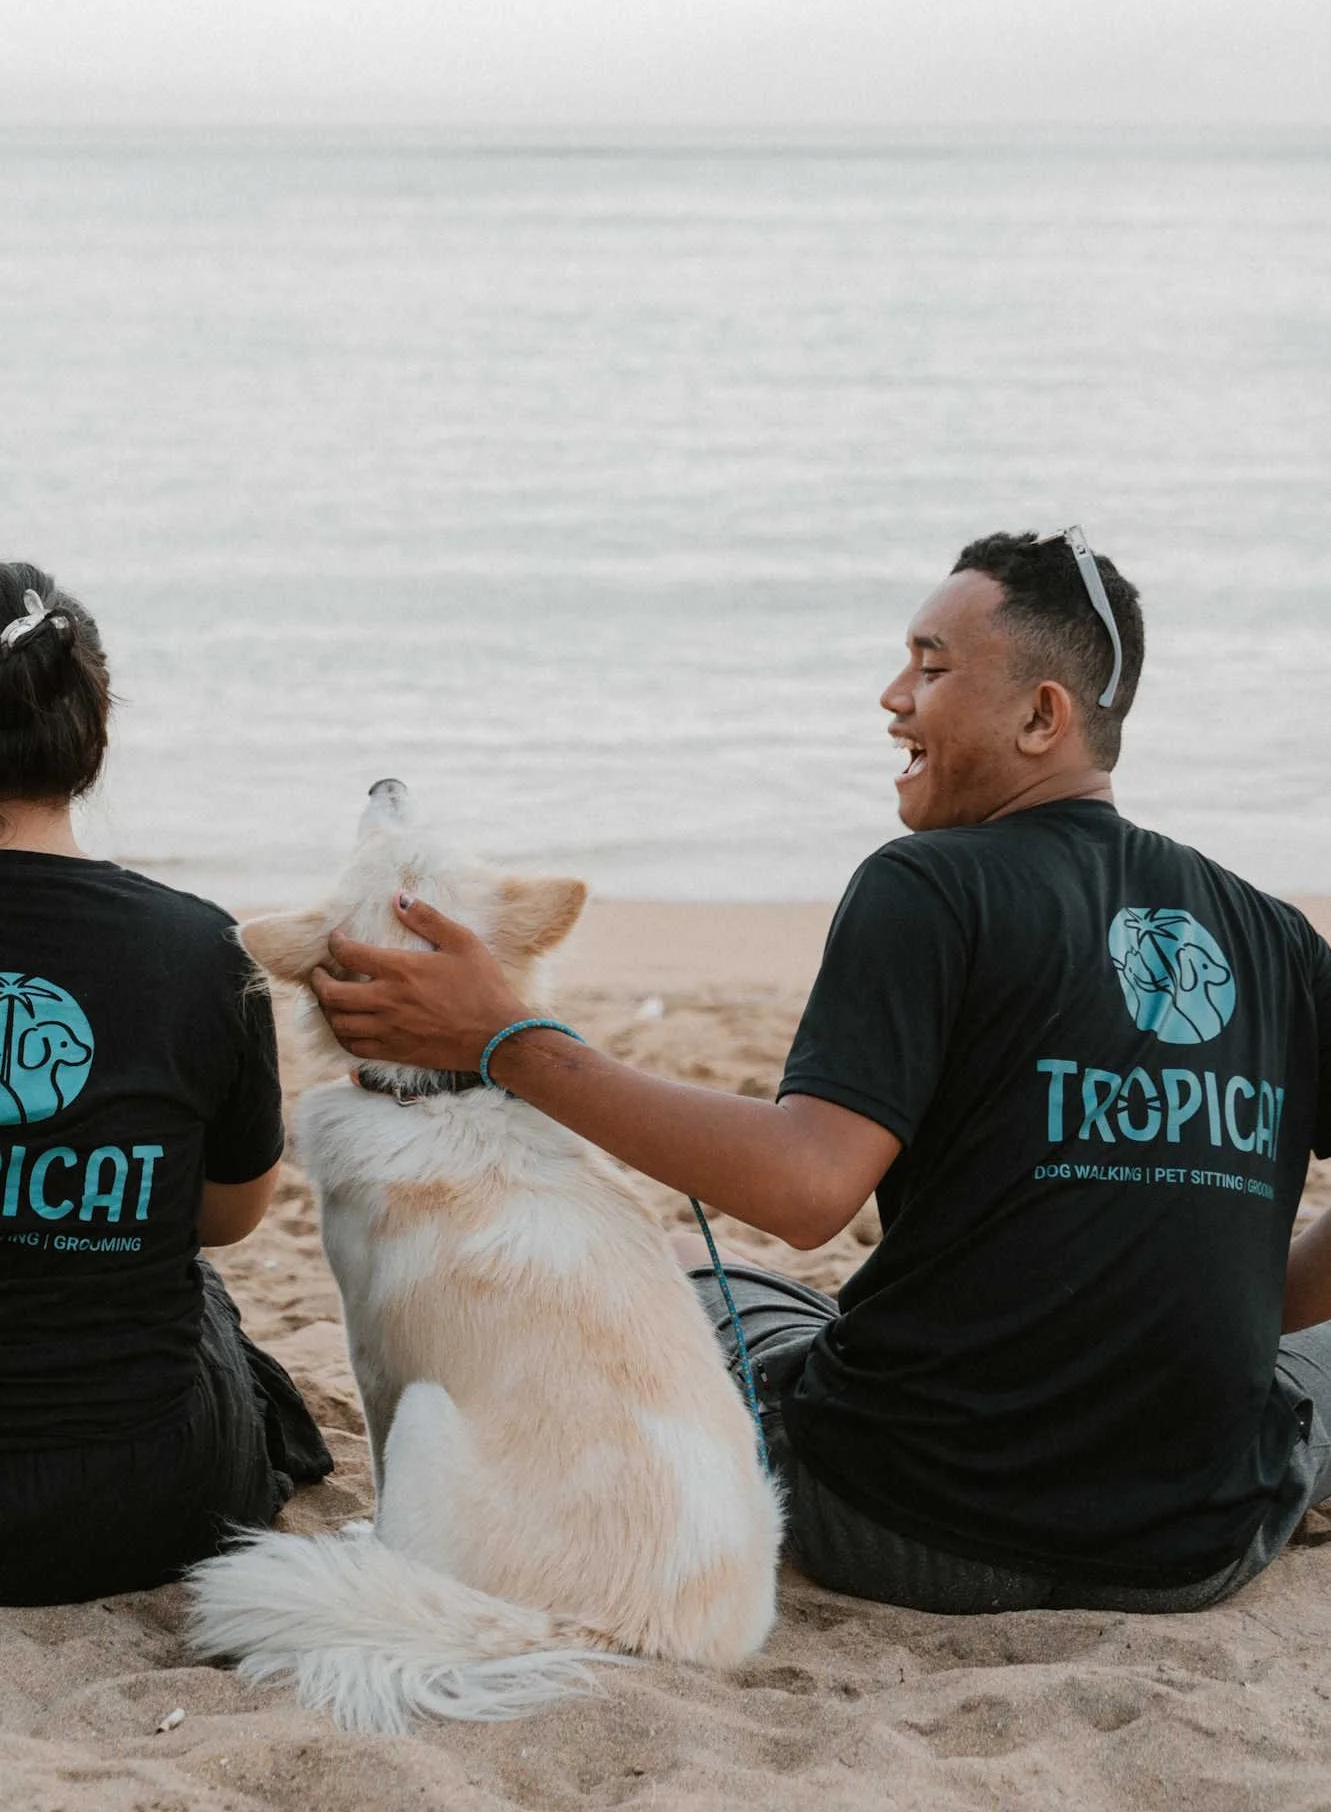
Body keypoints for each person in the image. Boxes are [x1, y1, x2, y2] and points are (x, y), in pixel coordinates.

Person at [311, 528, 1331, 1617]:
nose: (893, 697)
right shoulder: (1269, 932)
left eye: (931, 667)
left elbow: (804, 1191)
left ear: (1042, 717)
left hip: (907, 1525)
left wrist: (504, 1038)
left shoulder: (928, 885)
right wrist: (1249, 1310)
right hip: (1196, 1543)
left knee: (685, 1272)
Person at [0, 561, 330, 1604]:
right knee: (192, 1289)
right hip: (133, 1502)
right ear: (92, 729)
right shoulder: (198, 950)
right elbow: (227, 1219)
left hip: (123, 1493)